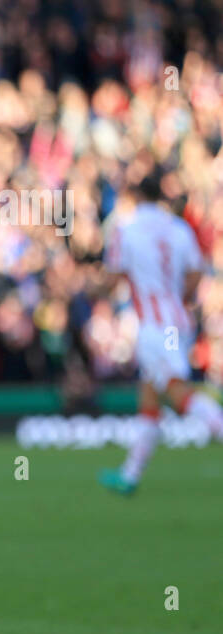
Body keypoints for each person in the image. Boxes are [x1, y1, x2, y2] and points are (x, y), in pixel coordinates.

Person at [98, 173, 223, 495]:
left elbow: (113, 277)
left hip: (156, 327)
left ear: (137, 196)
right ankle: (130, 474)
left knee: (176, 390)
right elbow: (196, 274)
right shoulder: (178, 228)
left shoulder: (125, 228)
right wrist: (176, 300)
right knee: (150, 397)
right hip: (175, 321)